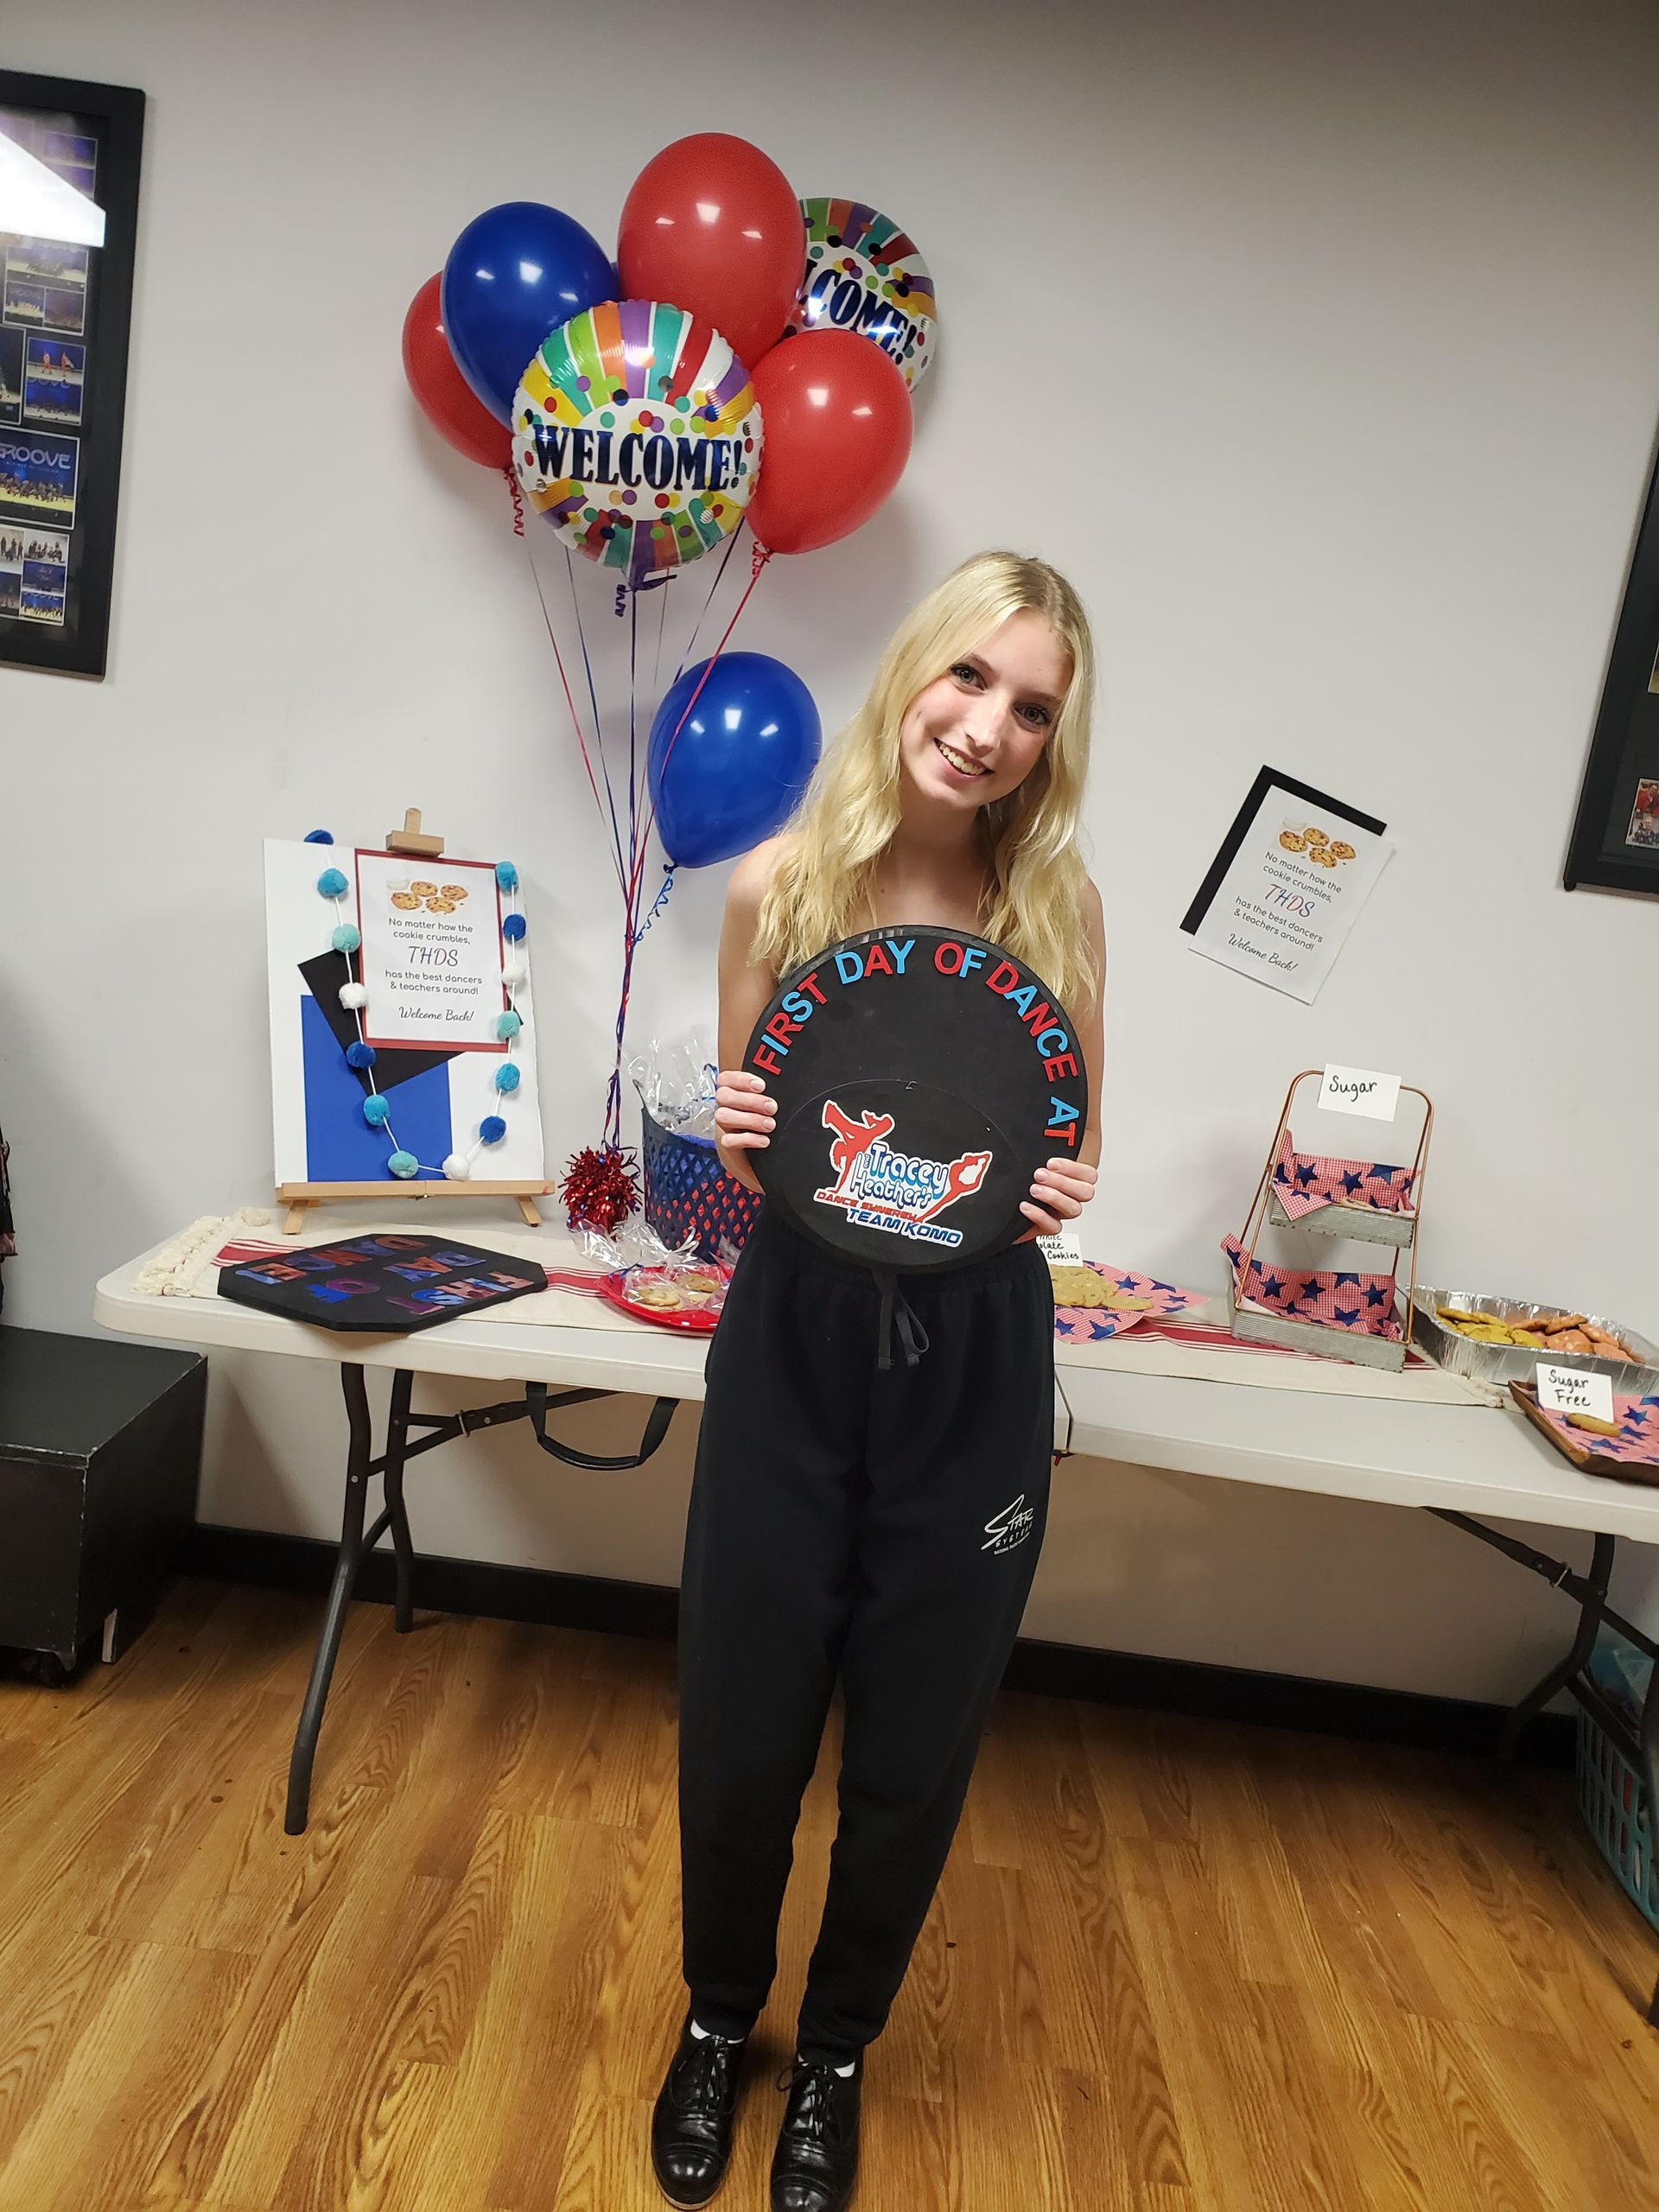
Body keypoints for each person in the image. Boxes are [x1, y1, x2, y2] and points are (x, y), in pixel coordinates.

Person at [650, 550, 1105, 2212]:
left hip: (976, 1356)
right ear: (912, 672)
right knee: (746, 1716)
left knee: (918, 1732)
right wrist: (737, 1133)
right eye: (968, 679)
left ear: (1055, 742)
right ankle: (718, 2019)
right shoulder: (778, 886)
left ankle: (834, 2051)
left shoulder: (1058, 914)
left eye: (1032, 707)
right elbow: (747, 1147)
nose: (988, 728)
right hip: (794, 1335)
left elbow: (1071, 1146)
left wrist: (1063, 1187)